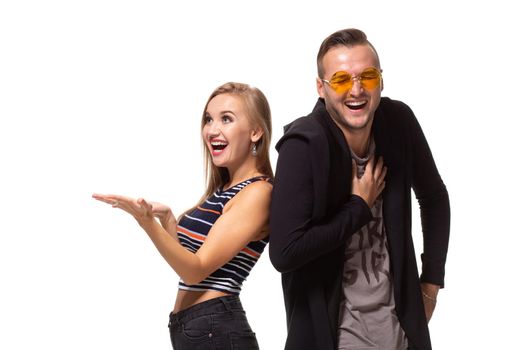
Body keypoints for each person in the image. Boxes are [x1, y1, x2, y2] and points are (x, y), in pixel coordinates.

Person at [269, 28, 450, 350]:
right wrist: (358, 207)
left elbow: (434, 198)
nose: (356, 90)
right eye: (340, 80)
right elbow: (285, 252)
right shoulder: (303, 145)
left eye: (367, 76)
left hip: (402, 332)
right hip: (335, 336)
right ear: (321, 89)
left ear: (380, 80)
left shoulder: (398, 122)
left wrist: (430, 285)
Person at [93, 82, 273, 350]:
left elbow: (195, 270)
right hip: (197, 329)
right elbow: (189, 260)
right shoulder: (225, 190)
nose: (212, 130)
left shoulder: (257, 191)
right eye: (208, 119)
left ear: (256, 131)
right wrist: (167, 221)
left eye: (226, 119)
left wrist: (146, 224)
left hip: (218, 331)